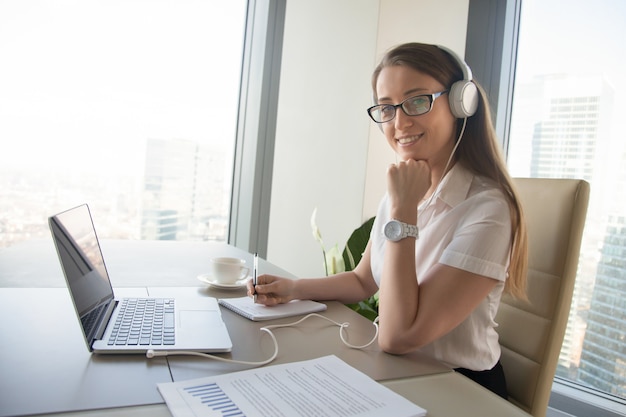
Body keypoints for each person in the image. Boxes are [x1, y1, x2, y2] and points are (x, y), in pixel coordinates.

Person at [248, 42, 528, 399]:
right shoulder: (405, 192)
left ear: (462, 103)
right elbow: (362, 280)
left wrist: (403, 210)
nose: (399, 122)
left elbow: (397, 336)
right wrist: (293, 288)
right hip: (398, 371)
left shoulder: (488, 210)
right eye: (386, 107)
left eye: (416, 101)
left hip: (459, 387)